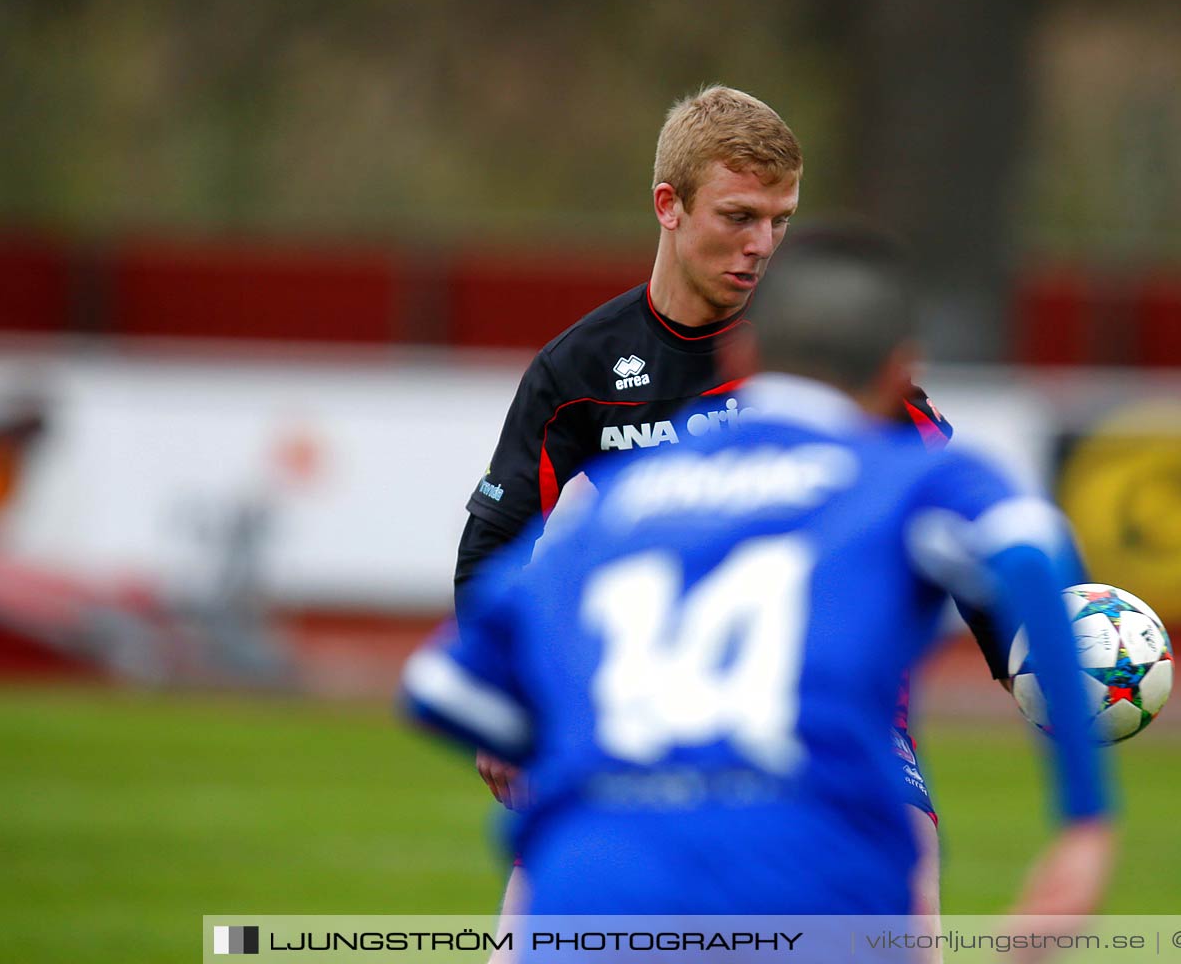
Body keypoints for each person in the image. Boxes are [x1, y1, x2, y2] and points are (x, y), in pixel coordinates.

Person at [406, 231, 1114, 915]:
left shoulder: (620, 504)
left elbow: (442, 688)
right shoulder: (899, 477)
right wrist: (1082, 820)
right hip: (807, 867)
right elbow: (1029, 551)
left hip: (599, 879)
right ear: (900, 371)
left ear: (744, 352)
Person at [454, 86, 1002, 915]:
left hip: (826, 701)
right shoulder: (581, 373)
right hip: (648, 695)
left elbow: (955, 519)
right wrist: (508, 705)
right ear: (668, 206)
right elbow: (498, 537)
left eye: (779, 222)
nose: (762, 246)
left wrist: (1022, 657)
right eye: (740, 217)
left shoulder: (818, 355)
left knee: (909, 908)